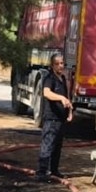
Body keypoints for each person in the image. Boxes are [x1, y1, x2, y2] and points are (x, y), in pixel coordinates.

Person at [34, 53, 73, 182]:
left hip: (61, 120)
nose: (60, 66)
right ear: (52, 65)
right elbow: (47, 93)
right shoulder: (49, 78)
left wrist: (69, 112)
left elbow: (67, 98)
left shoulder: (62, 79)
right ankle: (42, 172)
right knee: (48, 146)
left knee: (57, 147)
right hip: (51, 119)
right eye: (57, 64)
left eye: (62, 63)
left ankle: (54, 171)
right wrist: (61, 98)